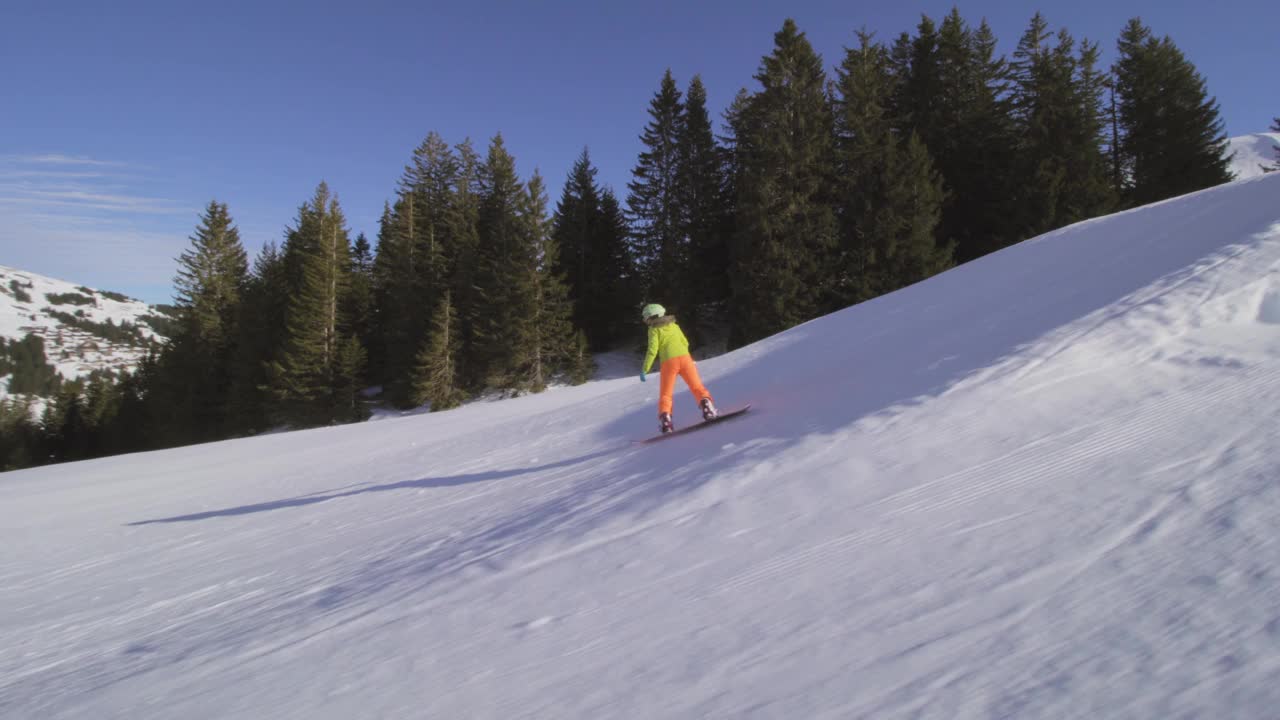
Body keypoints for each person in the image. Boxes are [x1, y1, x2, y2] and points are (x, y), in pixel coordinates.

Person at [639, 303, 716, 433]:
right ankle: (707, 407)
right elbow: (685, 342)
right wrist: (688, 358)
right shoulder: (674, 325)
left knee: (666, 394)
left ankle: (666, 420)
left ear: (651, 317)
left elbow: (652, 350)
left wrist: (644, 369)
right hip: (685, 359)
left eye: (646, 318)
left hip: (669, 363)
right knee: (697, 387)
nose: (646, 321)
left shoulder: (653, 330)